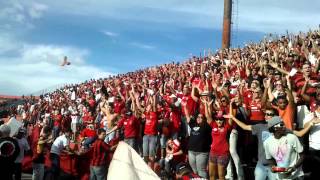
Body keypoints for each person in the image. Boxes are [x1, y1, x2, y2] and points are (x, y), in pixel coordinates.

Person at [184, 101, 211, 178]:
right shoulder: (193, 124)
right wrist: (185, 106)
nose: (199, 118)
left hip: (201, 153)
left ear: (204, 119)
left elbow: (208, 117)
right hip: (191, 151)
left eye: (201, 117)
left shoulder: (206, 126)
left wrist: (206, 105)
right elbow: (187, 116)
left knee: (201, 171)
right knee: (194, 171)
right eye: (198, 117)